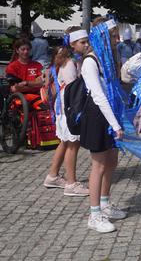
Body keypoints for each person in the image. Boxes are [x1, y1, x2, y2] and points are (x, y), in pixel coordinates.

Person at [80, 17, 127, 233]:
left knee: (111, 161)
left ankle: (106, 203)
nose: (117, 40)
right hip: (98, 117)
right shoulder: (91, 62)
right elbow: (99, 96)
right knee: (98, 165)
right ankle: (94, 214)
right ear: (103, 38)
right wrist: (115, 124)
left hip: (110, 115)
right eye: (113, 36)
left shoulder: (107, 59)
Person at [43, 27, 90, 197]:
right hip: (69, 110)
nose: (86, 45)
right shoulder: (70, 63)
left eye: (87, 42)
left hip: (63, 110)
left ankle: (53, 176)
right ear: (72, 44)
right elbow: (73, 91)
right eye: (82, 42)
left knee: (64, 143)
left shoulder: (69, 60)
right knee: (72, 145)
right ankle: (71, 183)